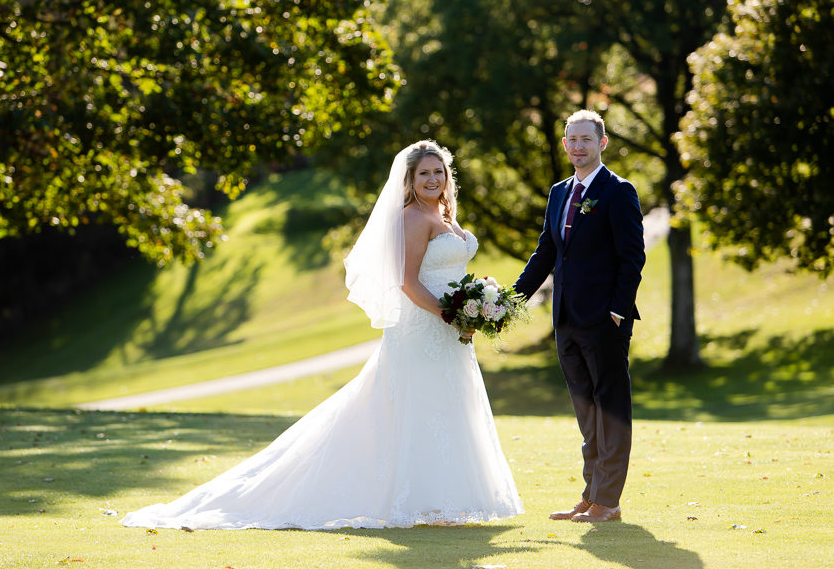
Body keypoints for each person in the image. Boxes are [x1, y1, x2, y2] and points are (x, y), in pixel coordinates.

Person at [120, 140, 523, 530]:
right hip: (421, 328)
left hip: (450, 334)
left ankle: (443, 501)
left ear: (447, 177)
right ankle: (419, 500)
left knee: (447, 406)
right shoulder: (412, 218)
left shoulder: (447, 216)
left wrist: (476, 302)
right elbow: (407, 283)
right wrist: (450, 315)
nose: (432, 179)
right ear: (410, 180)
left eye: (438, 172)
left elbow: (449, 273)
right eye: (424, 174)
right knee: (416, 408)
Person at [513, 110, 645, 523]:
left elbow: (632, 258)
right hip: (565, 319)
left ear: (602, 143)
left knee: (611, 409)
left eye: (586, 139)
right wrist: (510, 301)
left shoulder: (618, 191)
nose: (578, 147)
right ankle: (591, 494)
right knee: (586, 413)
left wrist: (617, 312)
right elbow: (546, 254)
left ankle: (609, 501)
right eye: (572, 140)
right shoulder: (558, 192)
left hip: (605, 321)